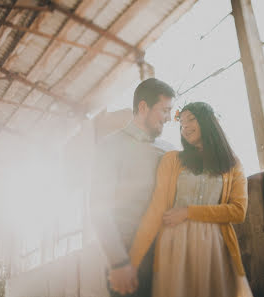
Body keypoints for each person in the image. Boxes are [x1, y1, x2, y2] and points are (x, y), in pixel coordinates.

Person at [129, 102, 254, 297]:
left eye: (190, 120)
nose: (184, 127)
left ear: (207, 121)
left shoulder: (232, 163)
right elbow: (156, 210)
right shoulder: (172, 160)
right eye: (181, 124)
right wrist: (133, 261)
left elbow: (238, 211)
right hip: (175, 245)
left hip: (216, 248)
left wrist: (188, 212)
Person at [90, 78, 175, 297]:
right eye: (164, 110)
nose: (168, 118)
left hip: (170, 259)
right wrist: (118, 262)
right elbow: (99, 209)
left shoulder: (169, 150)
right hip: (131, 264)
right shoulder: (110, 146)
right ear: (143, 107)